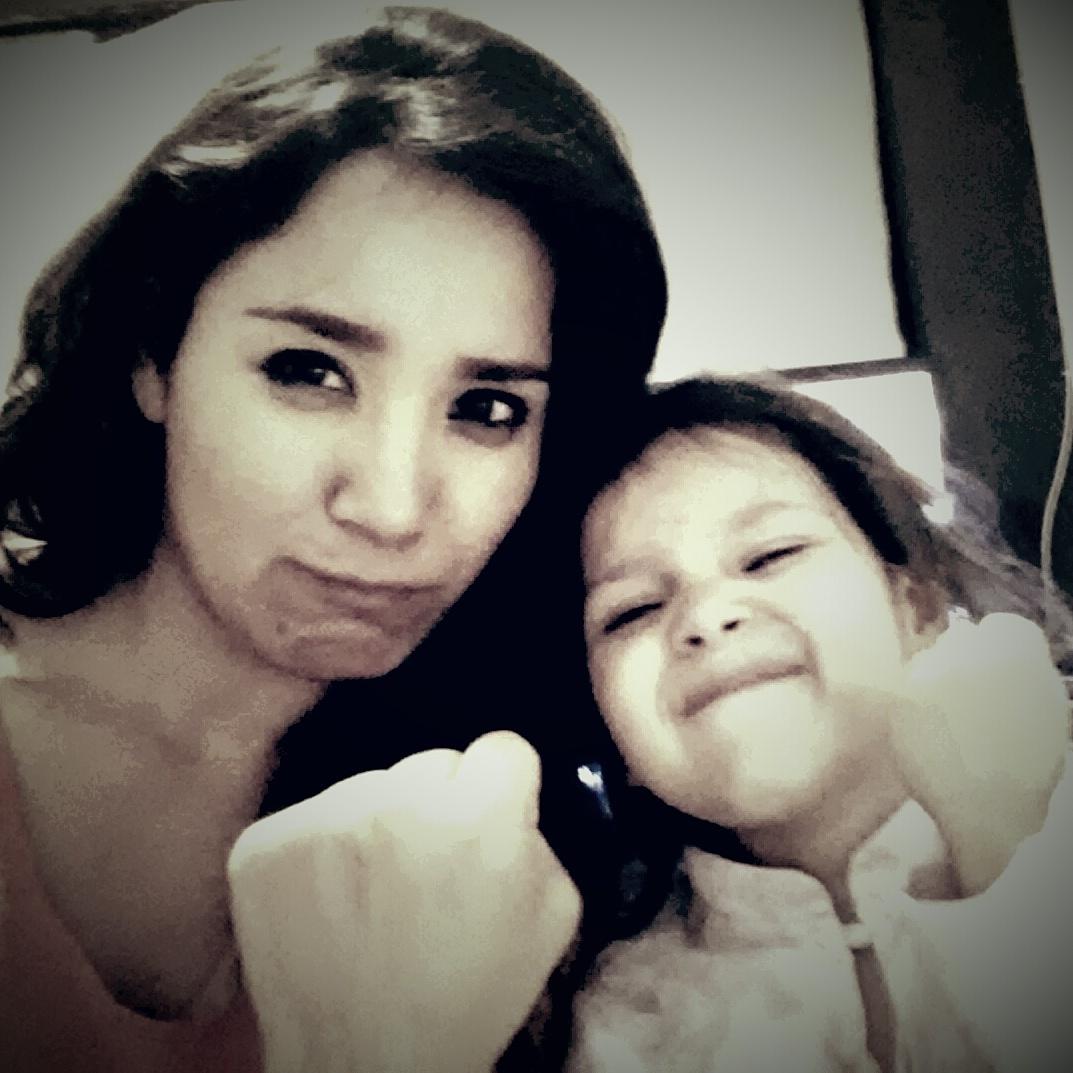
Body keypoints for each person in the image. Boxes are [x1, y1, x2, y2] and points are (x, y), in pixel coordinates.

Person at [0, 7, 667, 1072]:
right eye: (309, 371)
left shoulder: (508, 813)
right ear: (153, 357)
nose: (392, 510)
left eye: (488, 408)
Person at [570, 375, 1073, 1073]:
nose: (707, 617)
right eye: (631, 610)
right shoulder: (626, 1020)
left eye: (769, 556)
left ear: (918, 609)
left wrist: (1008, 852)